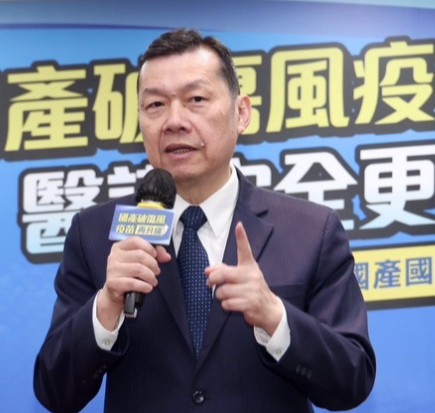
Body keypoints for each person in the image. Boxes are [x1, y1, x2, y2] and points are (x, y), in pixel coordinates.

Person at [33, 28, 376, 413]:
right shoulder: (95, 233)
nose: (174, 121)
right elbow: (54, 391)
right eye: (155, 105)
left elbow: (352, 381)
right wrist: (107, 305)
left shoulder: (310, 230)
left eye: (196, 99)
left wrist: (274, 316)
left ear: (240, 112)